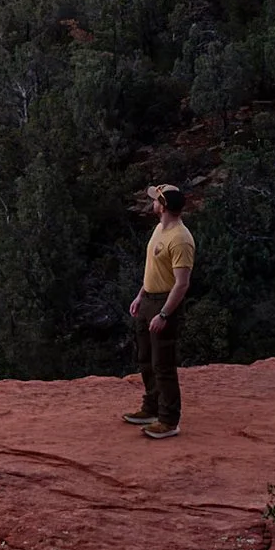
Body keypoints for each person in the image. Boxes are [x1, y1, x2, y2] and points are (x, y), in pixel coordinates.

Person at [125, 183, 193, 439]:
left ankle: (168, 420)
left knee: (163, 364)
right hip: (148, 300)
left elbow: (182, 283)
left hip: (165, 304)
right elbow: (154, 270)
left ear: (163, 207)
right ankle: (151, 407)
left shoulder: (181, 239)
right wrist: (140, 295)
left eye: (156, 200)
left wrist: (164, 314)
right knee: (145, 358)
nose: (152, 202)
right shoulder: (158, 229)